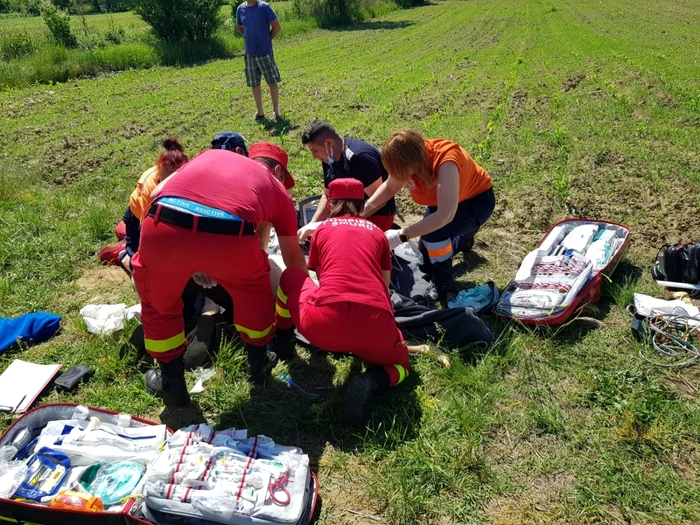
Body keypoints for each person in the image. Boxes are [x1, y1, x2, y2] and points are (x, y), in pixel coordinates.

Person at [132, 148, 306, 423]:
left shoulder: (208, 156)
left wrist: (196, 261)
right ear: (278, 173)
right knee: (254, 292)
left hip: (162, 225)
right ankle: (258, 366)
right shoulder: (277, 190)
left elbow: (156, 194)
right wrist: (303, 300)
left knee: (158, 305)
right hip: (229, 235)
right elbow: (293, 259)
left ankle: (172, 386)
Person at [275, 179, 411, 428]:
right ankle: (371, 381)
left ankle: (282, 338)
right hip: (375, 326)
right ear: (361, 203)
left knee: (291, 277)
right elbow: (385, 284)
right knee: (401, 366)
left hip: (323, 326)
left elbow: (319, 275)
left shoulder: (322, 230)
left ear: (332, 203)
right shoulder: (378, 233)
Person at [363, 130, 495, 301]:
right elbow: (389, 187)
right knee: (425, 258)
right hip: (441, 203)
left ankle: (445, 286)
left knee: (434, 235)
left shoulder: (446, 161)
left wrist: (401, 235)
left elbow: (444, 216)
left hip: (475, 202)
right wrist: (362, 212)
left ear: (414, 162)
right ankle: (463, 239)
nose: (400, 177)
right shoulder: (408, 161)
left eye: (401, 172)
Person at [298, 120, 396, 242]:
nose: (314, 156)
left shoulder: (359, 158)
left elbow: (379, 202)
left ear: (328, 143)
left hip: (376, 216)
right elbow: (327, 194)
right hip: (349, 214)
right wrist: (312, 225)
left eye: (314, 151)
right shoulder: (329, 157)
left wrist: (342, 223)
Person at [236, 0, 282, 120]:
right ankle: (260, 112)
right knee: (254, 83)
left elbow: (276, 26)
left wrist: (267, 39)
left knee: (272, 81)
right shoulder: (240, 9)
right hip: (250, 54)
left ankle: (276, 112)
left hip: (265, 52)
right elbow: (240, 27)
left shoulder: (264, 7)